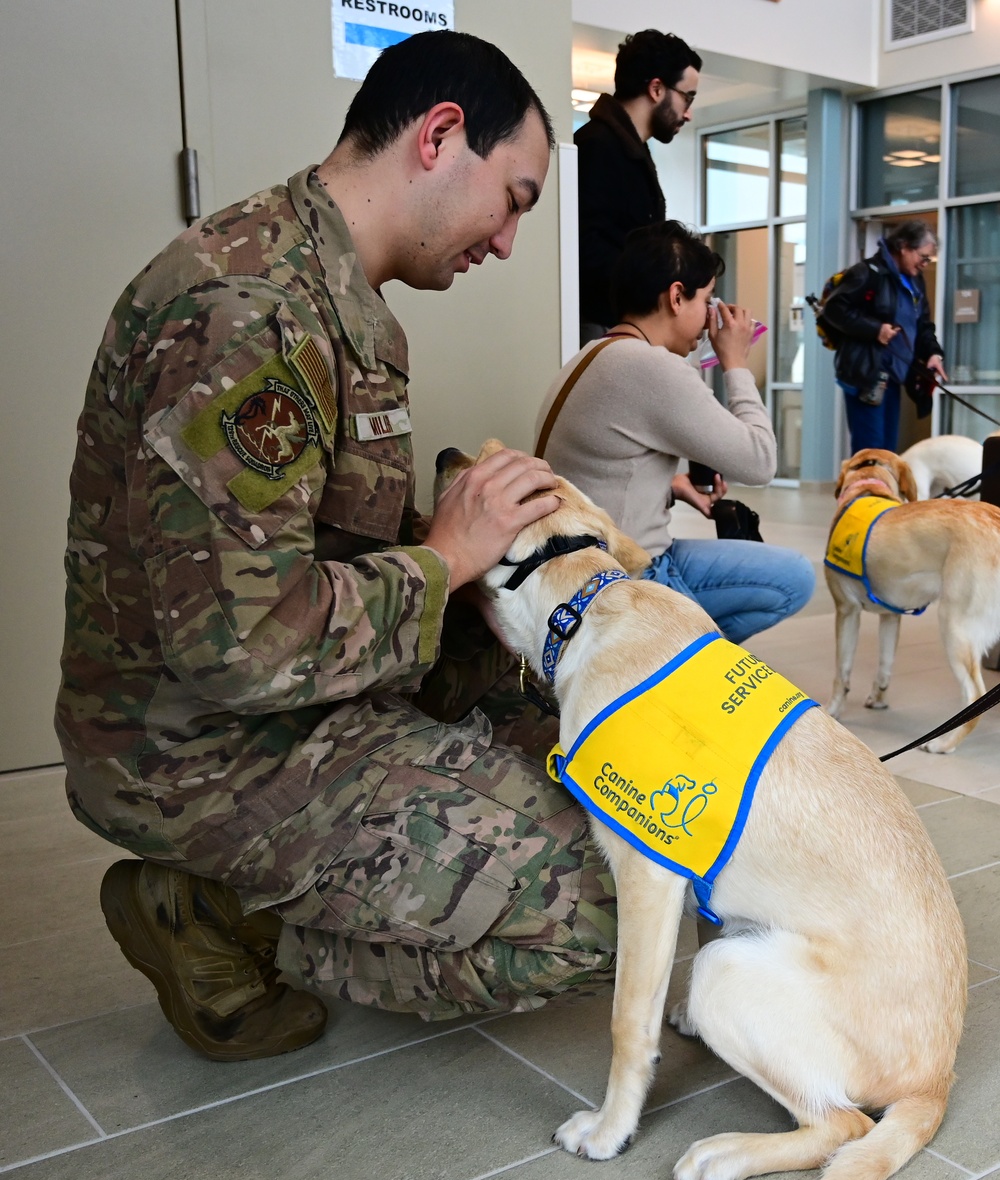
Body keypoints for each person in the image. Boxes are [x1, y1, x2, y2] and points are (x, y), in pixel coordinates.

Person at [56, 31, 620, 1063]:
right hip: (198, 745)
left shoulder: (328, 293)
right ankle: (228, 921)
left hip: (299, 693)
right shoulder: (248, 314)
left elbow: (315, 548)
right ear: (441, 136)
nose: (505, 242)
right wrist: (446, 558)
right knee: (601, 905)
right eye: (517, 197)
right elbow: (239, 643)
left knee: (607, 754)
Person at [537, 221, 814, 645]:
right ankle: (677, 660)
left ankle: (676, 654)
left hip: (571, 574)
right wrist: (736, 363)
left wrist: (669, 487)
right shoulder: (651, 366)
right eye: (707, 300)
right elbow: (760, 462)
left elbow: (603, 468)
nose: (710, 319)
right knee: (794, 578)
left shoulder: (592, 354)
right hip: (624, 578)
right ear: (677, 296)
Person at [576, 29, 701, 344]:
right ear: (657, 88)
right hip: (604, 328)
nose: (688, 113)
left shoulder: (624, 149)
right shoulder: (598, 147)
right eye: (688, 96)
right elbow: (591, 253)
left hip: (618, 327)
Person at [822, 219, 947, 455]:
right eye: (923, 257)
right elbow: (834, 310)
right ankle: (863, 492)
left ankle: (881, 492)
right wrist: (875, 330)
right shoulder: (867, 273)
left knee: (888, 452)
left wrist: (933, 353)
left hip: (894, 377)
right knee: (870, 451)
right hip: (867, 375)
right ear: (904, 247)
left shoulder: (915, 282)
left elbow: (923, 325)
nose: (925, 264)